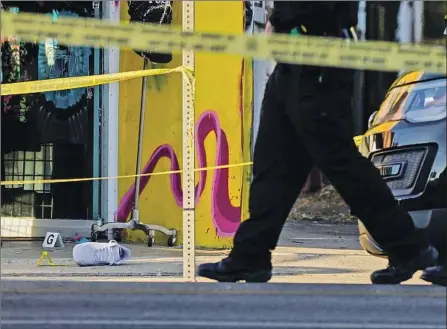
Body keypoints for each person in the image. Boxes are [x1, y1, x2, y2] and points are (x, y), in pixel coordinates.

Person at [198, 1, 439, 285]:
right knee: (273, 164)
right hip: (291, 60)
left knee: (341, 162)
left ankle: (407, 246)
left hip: (319, 59)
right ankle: (250, 256)